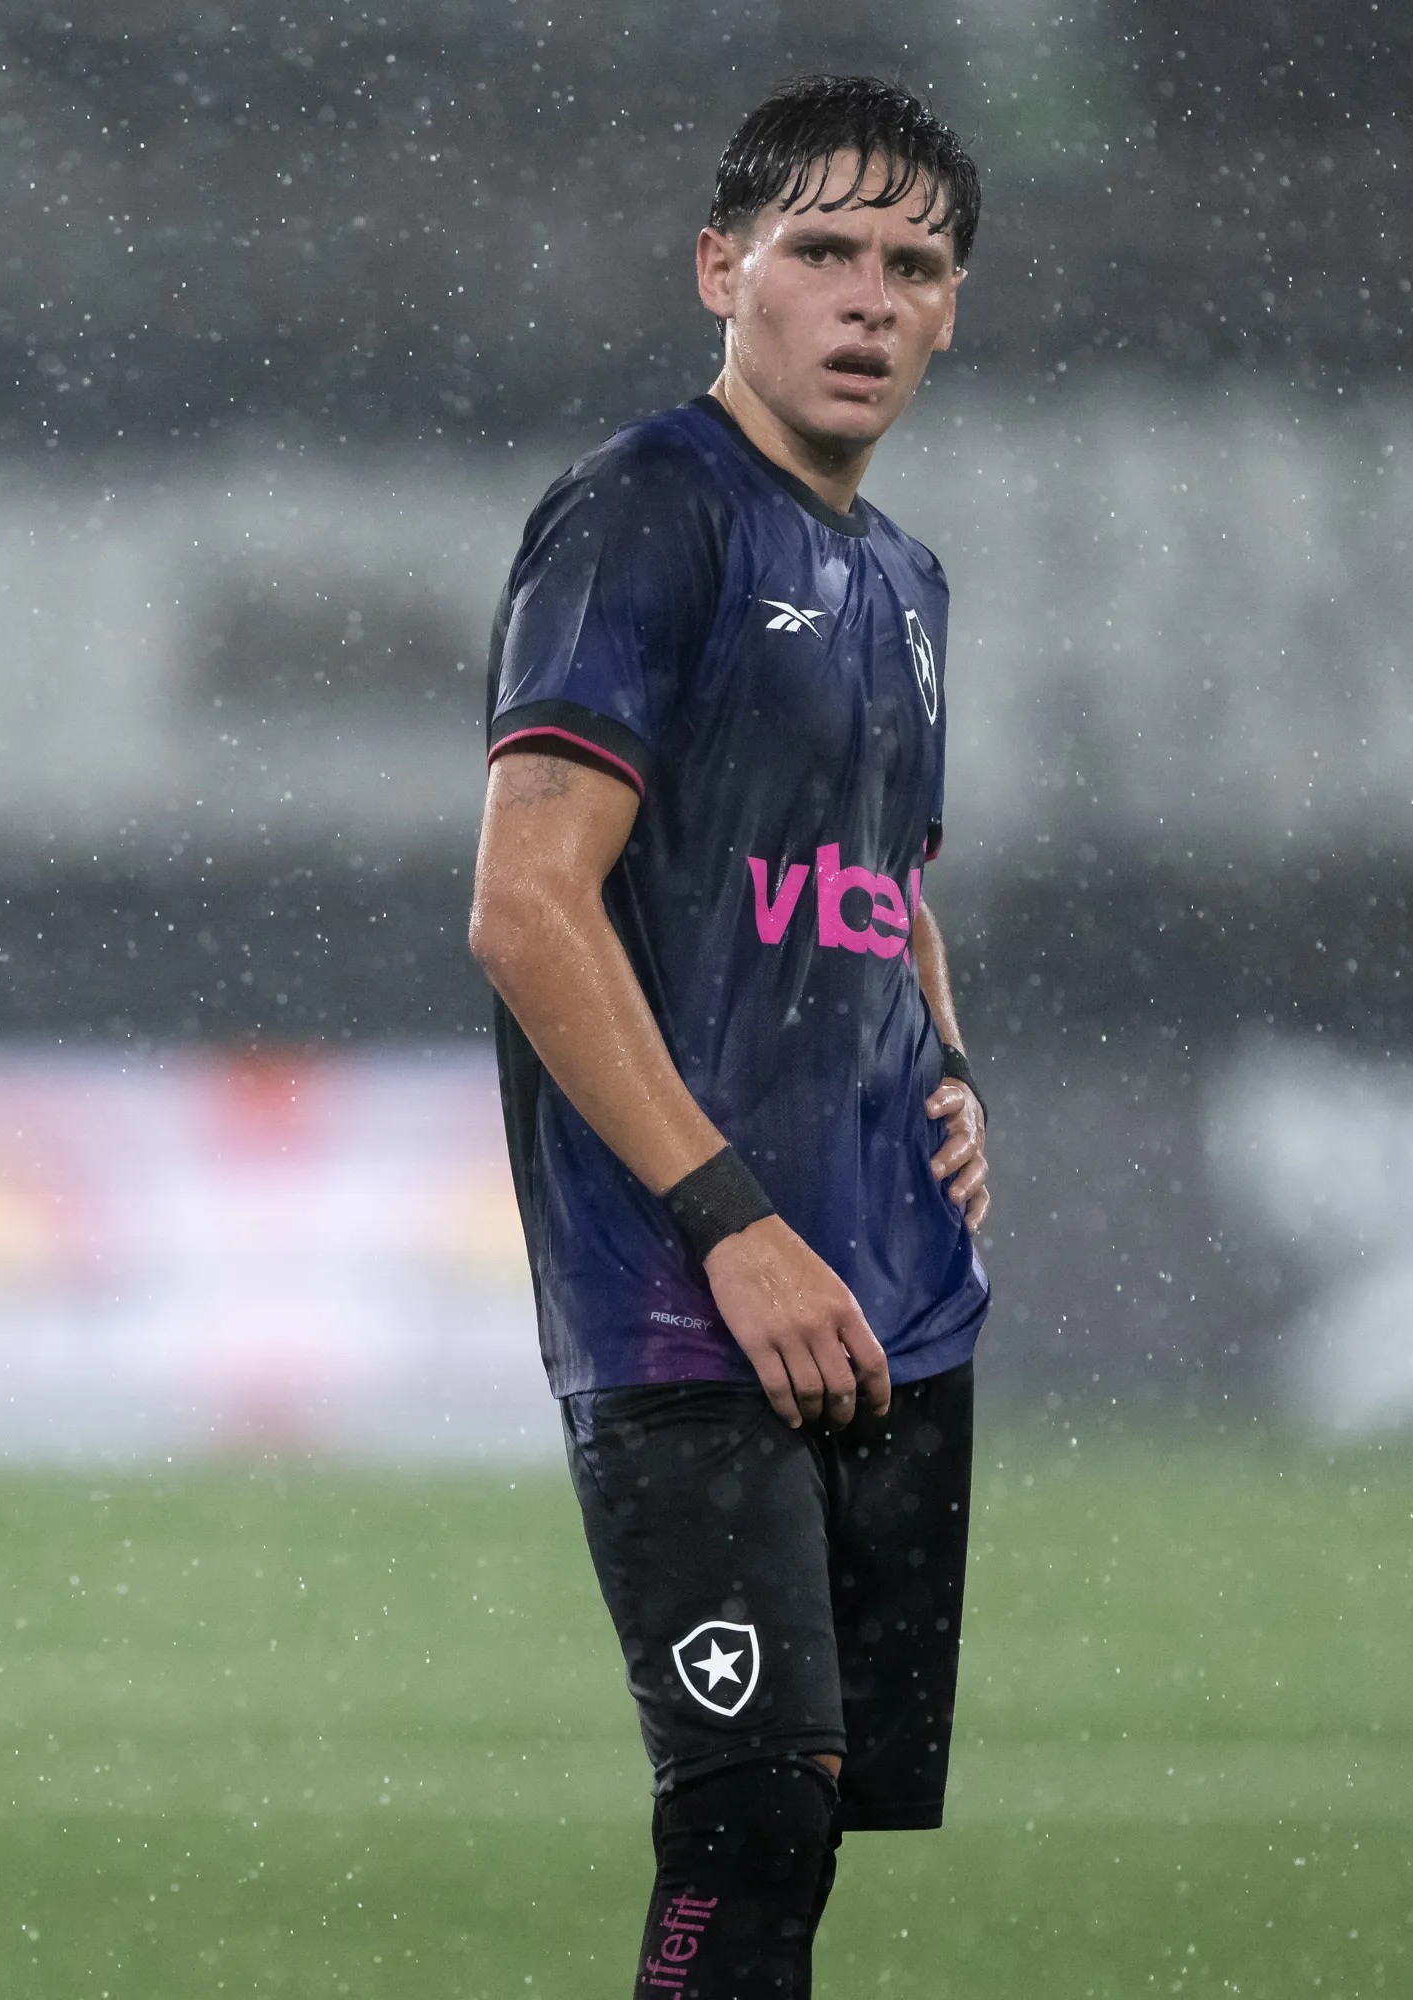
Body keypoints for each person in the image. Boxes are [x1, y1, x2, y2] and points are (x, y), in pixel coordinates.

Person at [466, 74, 994, 1998]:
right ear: (724, 270)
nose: (868, 298)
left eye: (913, 265)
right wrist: (731, 1215)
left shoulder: (906, 584)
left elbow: (881, 881)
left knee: (808, 1840)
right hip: (700, 1293)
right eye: (825, 250)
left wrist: (947, 1069)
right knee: (745, 1822)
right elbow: (528, 904)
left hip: (884, 1295)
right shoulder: (643, 517)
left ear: (951, 310)